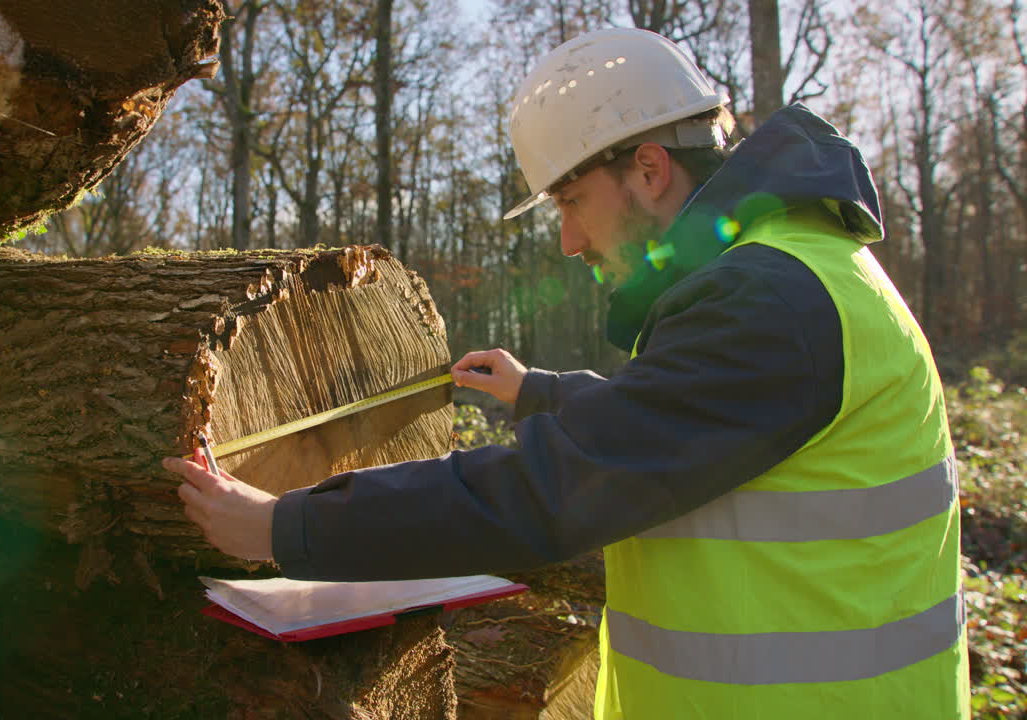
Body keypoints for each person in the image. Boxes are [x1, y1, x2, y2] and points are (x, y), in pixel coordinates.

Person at [167, 27, 970, 719]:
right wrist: (540, 391)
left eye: (572, 202)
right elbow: (687, 424)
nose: (570, 242)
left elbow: (551, 492)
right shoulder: (791, 272)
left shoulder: (769, 301)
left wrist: (284, 528)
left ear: (649, 170)